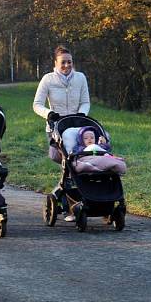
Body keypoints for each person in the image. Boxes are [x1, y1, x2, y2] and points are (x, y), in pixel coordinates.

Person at [33, 45, 91, 221]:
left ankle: (80, 202)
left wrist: (81, 115)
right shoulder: (48, 80)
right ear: (56, 63)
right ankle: (68, 201)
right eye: (63, 62)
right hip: (56, 129)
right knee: (66, 163)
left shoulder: (80, 78)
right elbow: (36, 104)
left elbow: (85, 101)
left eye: (70, 62)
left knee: (78, 165)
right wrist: (48, 114)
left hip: (76, 129)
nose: (67, 65)